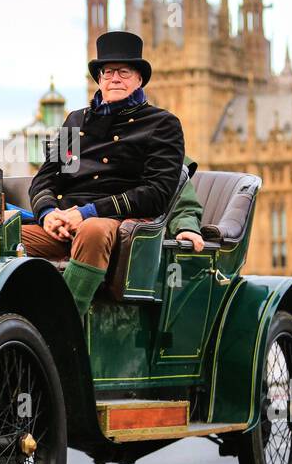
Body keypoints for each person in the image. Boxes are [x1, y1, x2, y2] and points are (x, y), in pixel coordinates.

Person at [24, 30, 185, 317]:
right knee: (1, 237)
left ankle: (65, 326)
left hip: (117, 224)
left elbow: (157, 194)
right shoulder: (76, 120)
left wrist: (87, 212)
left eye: (124, 72)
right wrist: (48, 213)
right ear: (99, 79)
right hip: (63, 223)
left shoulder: (162, 124)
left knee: (93, 229)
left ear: (139, 79)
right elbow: (46, 177)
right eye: (107, 72)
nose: (114, 79)